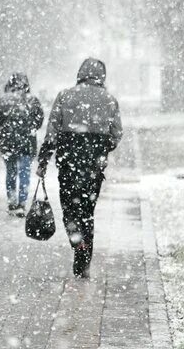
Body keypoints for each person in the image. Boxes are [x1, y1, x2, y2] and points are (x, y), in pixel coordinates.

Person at [36, 57, 123, 278]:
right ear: (102, 75)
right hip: (94, 166)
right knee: (87, 211)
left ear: (80, 73)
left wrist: (44, 159)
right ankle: (85, 256)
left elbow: (52, 131)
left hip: (68, 163)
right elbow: (116, 134)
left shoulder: (65, 96)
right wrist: (101, 148)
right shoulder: (110, 100)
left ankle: (78, 244)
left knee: (69, 210)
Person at [0, 72, 44, 216]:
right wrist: (28, 128)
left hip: (8, 142)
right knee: (25, 172)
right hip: (27, 142)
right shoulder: (33, 101)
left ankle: (12, 202)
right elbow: (39, 121)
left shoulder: (4, 101)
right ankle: (22, 203)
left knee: (11, 172)